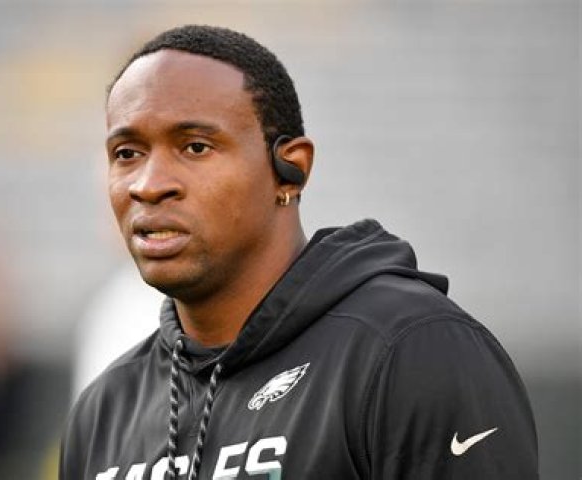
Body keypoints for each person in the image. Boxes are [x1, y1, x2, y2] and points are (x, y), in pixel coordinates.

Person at [59, 25, 538, 479]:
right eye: (127, 154)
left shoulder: (411, 349)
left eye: (196, 147)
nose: (149, 185)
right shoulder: (103, 410)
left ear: (291, 169)